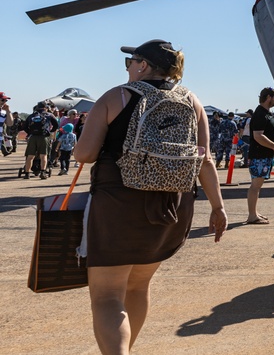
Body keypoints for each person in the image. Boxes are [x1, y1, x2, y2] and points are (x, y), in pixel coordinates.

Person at [74, 39, 226, 355]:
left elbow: (85, 154)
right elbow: (205, 160)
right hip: (173, 207)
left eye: (130, 63)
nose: (128, 68)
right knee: (138, 286)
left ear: (142, 65)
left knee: (107, 296)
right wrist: (218, 207)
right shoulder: (193, 101)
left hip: (120, 204)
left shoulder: (117, 96)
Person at [245, 87, 274, 225]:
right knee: (255, 185)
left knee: (257, 185)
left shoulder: (265, 113)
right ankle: (252, 215)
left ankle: (254, 212)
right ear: (268, 97)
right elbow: (258, 135)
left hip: (263, 155)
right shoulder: (260, 114)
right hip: (259, 155)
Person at [21, 101, 59, 179]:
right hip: (44, 137)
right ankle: (43, 172)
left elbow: (24, 126)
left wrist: (30, 132)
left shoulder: (32, 115)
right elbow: (56, 125)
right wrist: (50, 131)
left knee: (30, 156)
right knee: (43, 155)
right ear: (45, 107)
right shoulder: (49, 115)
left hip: (33, 137)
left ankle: (27, 173)